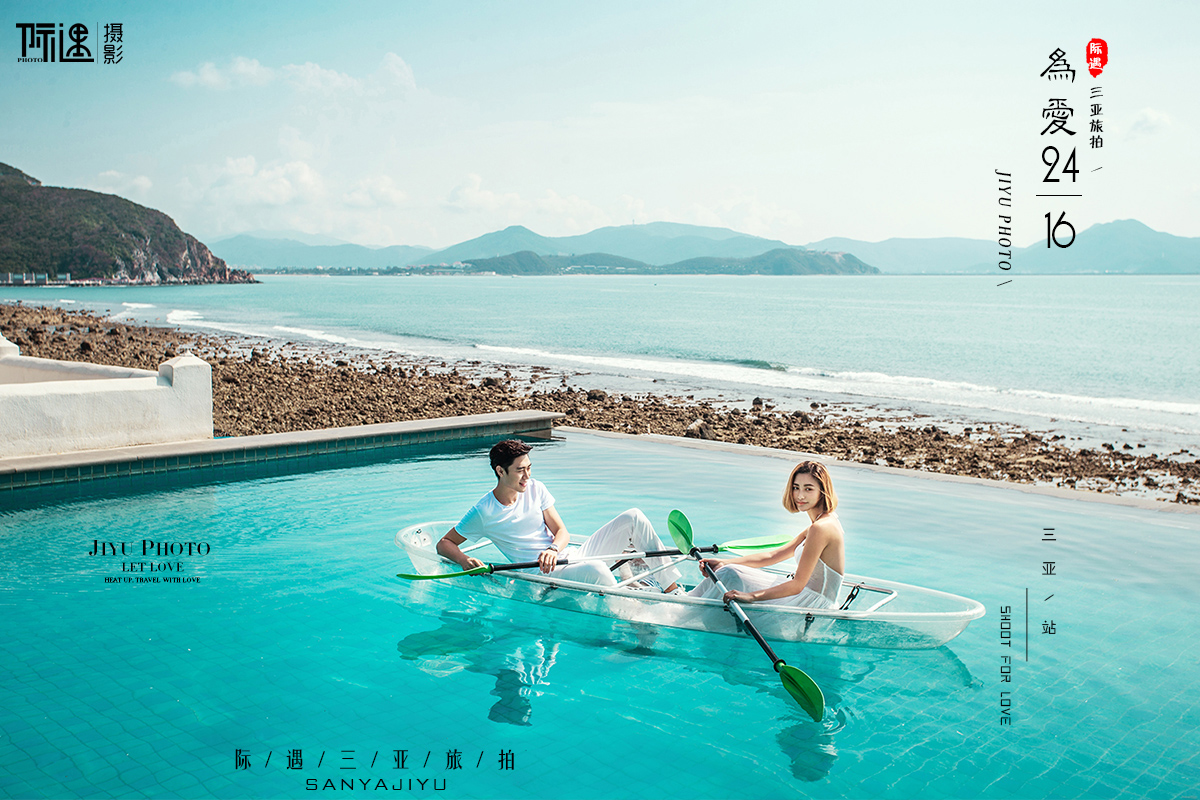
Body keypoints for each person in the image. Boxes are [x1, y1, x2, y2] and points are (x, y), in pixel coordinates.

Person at [436, 439, 683, 593]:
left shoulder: (536, 488)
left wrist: (553, 549)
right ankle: (631, 610)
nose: (527, 476)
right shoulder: (484, 511)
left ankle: (672, 590)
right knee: (597, 569)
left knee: (633, 517)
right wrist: (464, 559)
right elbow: (444, 543)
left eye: (529, 468)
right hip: (543, 576)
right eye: (520, 470)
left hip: (568, 557)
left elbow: (562, 532)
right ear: (500, 471)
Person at [689, 460, 844, 608]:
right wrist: (725, 562)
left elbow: (797, 585)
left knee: (730, 574)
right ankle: (688, 600)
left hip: (811, 605)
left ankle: (684, 604)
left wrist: (751, 596)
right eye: (796, 488)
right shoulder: (822, 522)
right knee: (728, 570)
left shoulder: (821, 528)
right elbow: (773, 556)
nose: (800, 496)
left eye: (808, 489)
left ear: (823, 491)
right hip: (807, 597)